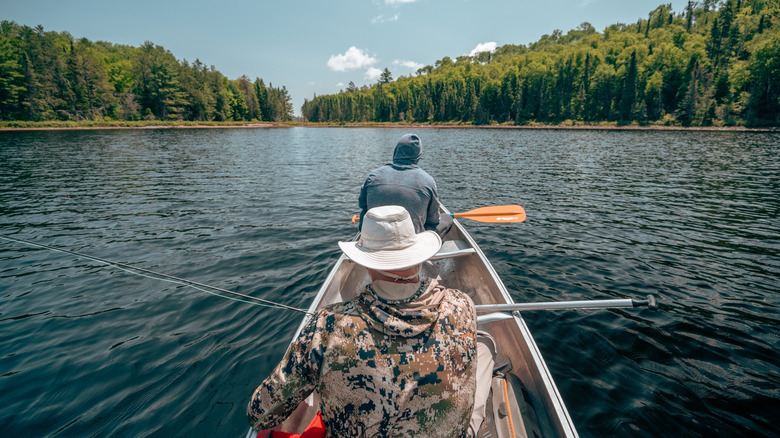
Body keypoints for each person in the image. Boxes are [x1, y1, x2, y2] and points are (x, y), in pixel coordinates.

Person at [247, 205, 493, 437]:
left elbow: (259, 415)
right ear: (418, 259)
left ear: (365, 263)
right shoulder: (462, 306)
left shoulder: (327, 325)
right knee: (484, 343)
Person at [358, 133, 453, 237]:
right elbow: (433, 220)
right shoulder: (428, 181)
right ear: (419, 156)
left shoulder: (373, 176)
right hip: (410, 241)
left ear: (396, 151)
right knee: (447, 218)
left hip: (374, 237)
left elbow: (363, 205)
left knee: (365, 212)